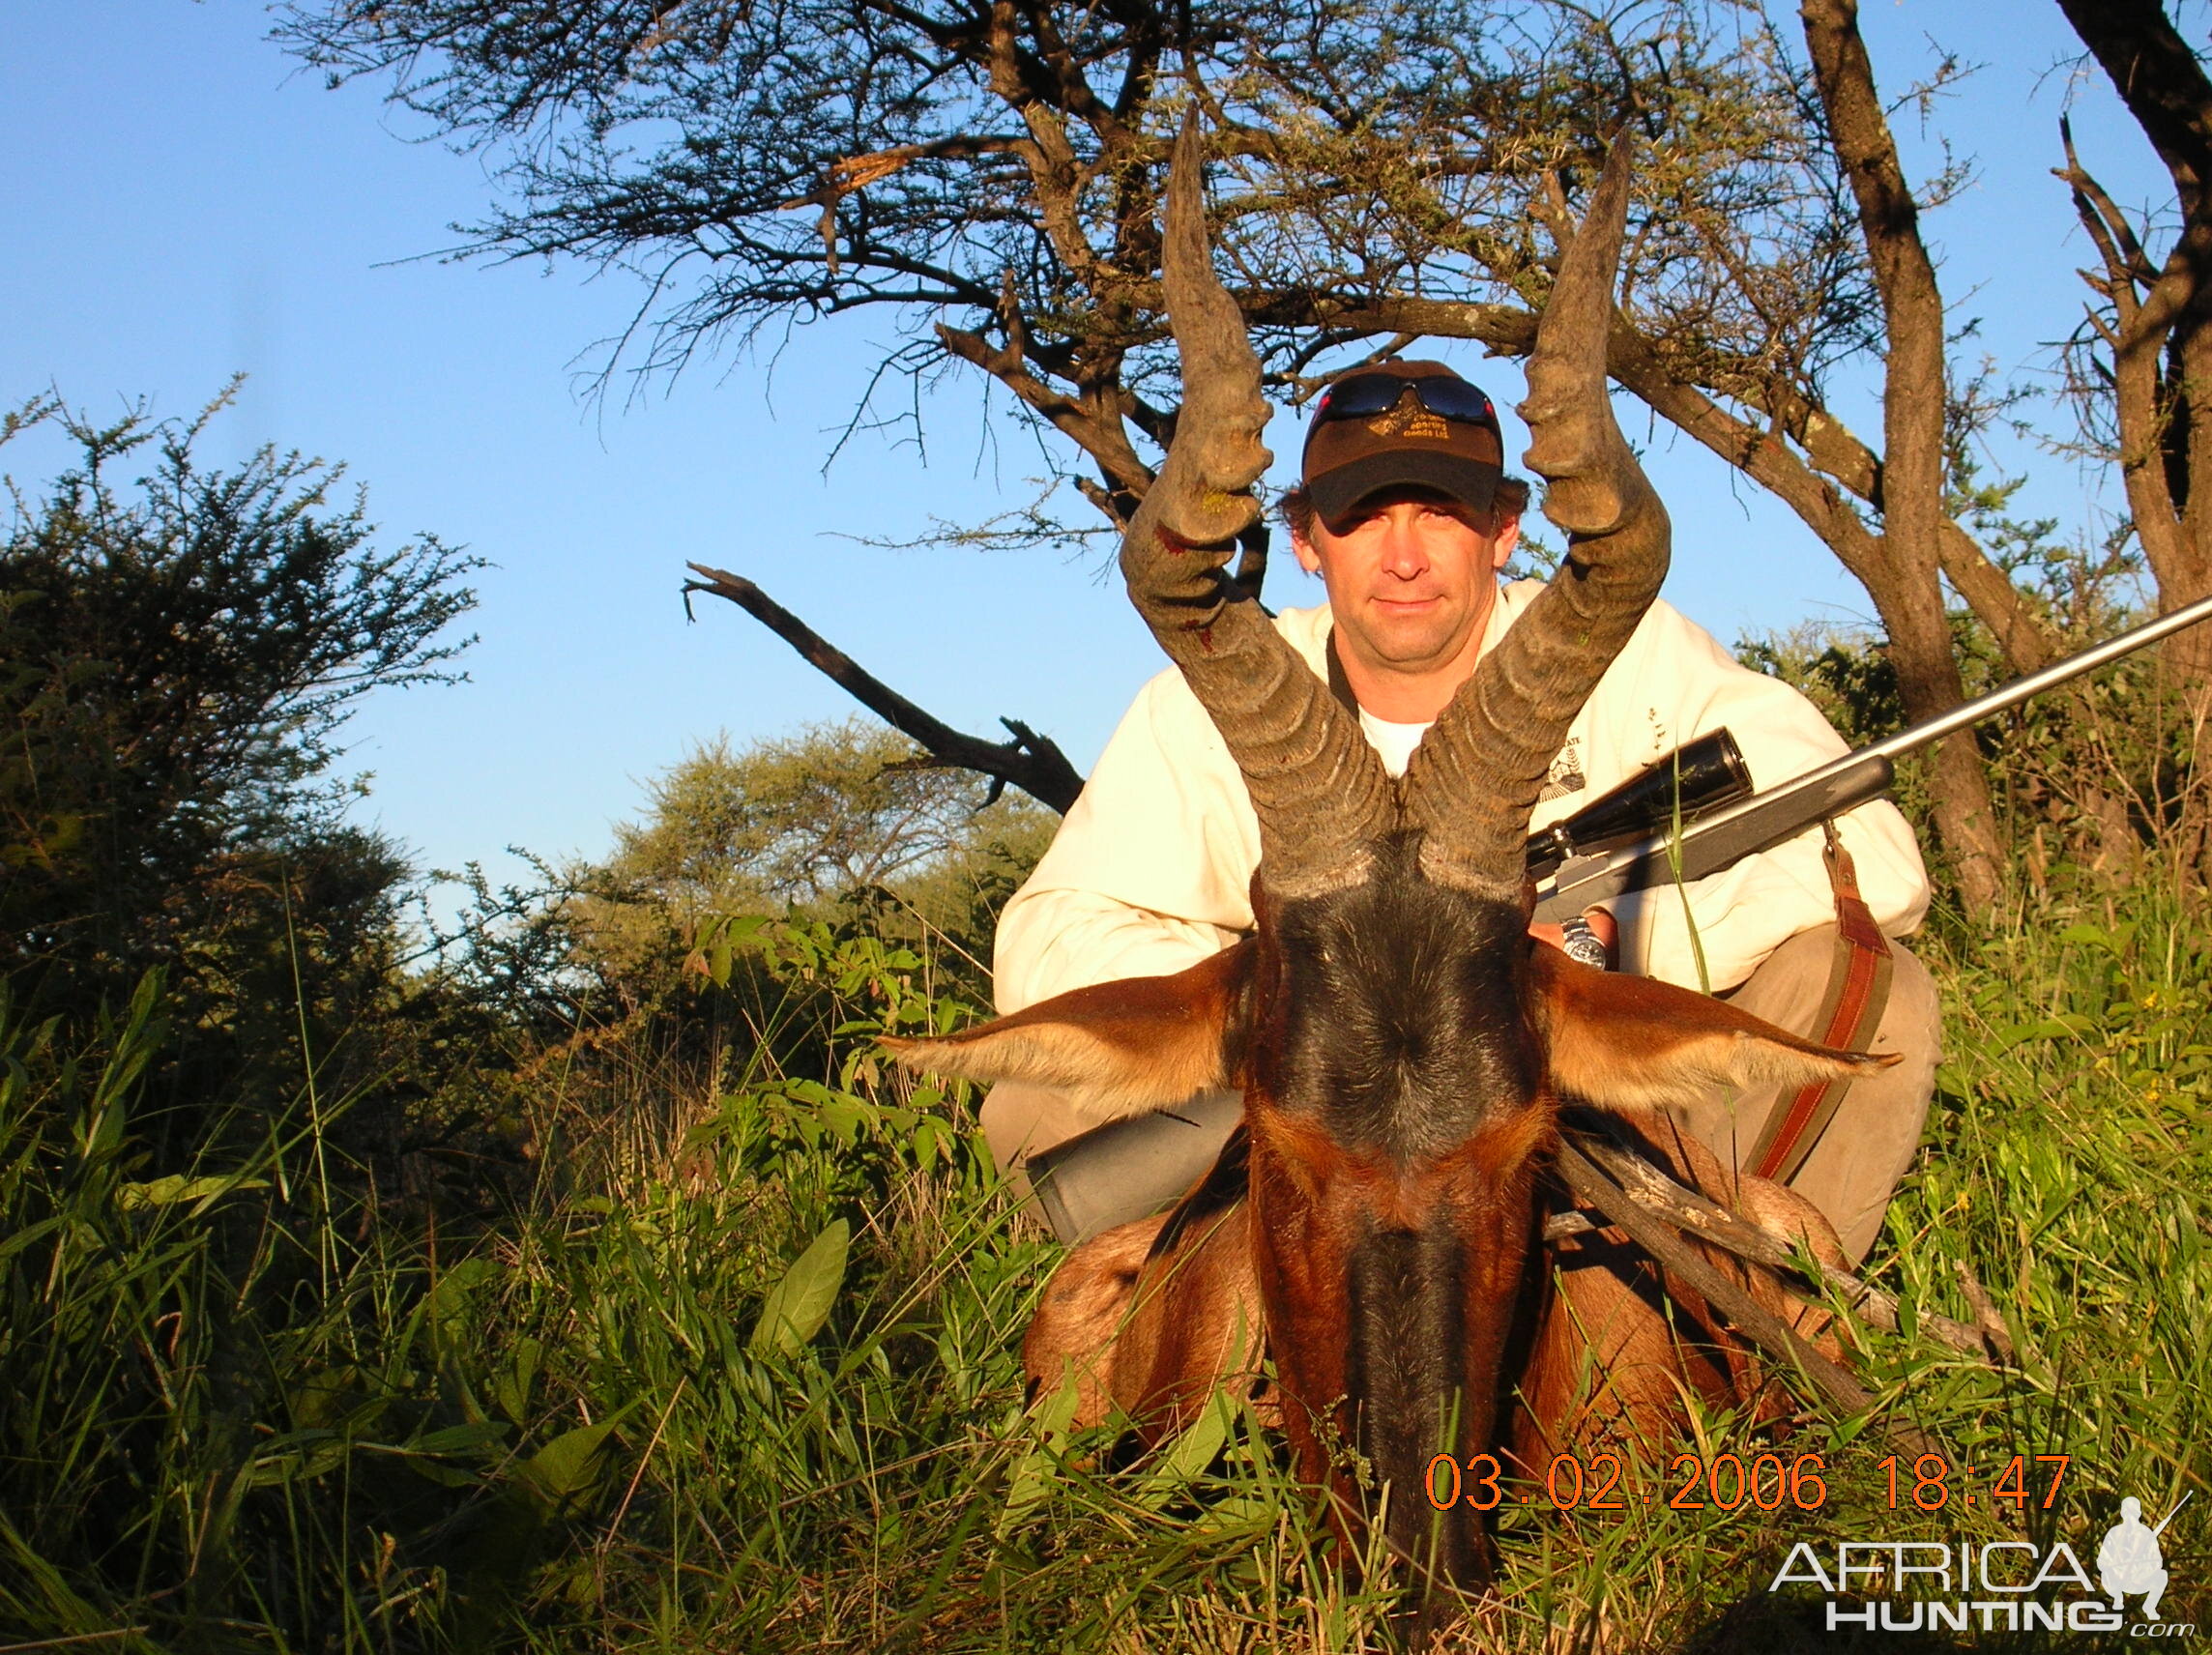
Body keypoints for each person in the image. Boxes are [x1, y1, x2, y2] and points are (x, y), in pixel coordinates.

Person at [988, 361, 1938, 1263]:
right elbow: (1044, 938)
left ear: (1504, 529)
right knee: (1031, 1094)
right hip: (1321, 1131)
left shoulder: (1633, 654)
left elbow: (1868, 851)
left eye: (1440, 512)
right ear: (1307, 541)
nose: (1402, 558)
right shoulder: (1214, 696)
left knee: (1864, 981)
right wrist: (1301, 990)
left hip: (1590, 1102)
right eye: (1363, 518)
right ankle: (1260, 1350)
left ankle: (1720, 1314)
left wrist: (1593, 953)